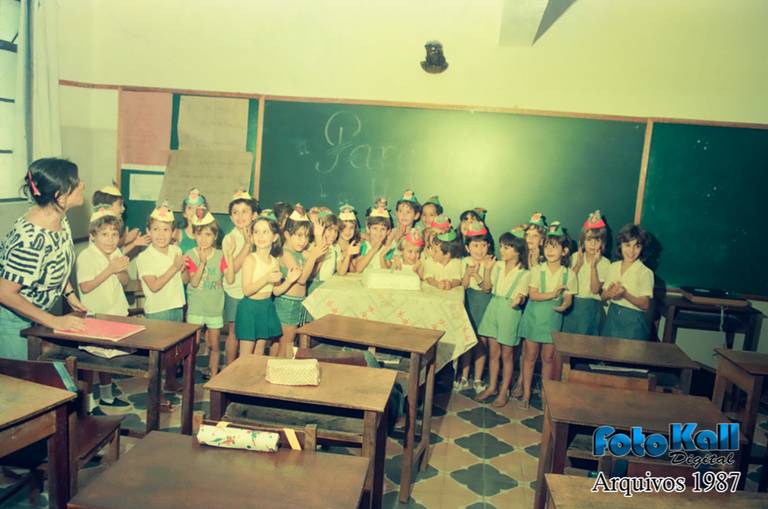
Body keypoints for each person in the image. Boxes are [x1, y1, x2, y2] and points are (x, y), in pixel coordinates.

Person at [0, 158, 87, 359]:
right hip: (12, 322)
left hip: (34, 316)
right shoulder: (31, 240)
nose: (83, 184)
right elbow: (4, 292)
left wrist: (70, 294)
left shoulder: (58, 217)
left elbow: (56, 262)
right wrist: (54, 321)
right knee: (24, 378)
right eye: (77, 182)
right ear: (60, 197)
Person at [76, 207, 132, 407]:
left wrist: (119, 271)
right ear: (93, 235)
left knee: (107, 357)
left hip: (115, 312)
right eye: (104, 234)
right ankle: (88, 404)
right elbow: (85, 286)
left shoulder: (116, 252)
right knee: (91, 359)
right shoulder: (86, 256)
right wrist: (110, 269)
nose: (110, 240)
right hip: (95, 315)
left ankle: (107, 396)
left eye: (114, 234)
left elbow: (125, 281)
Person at [517, 222, 576, 409]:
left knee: (548, 359)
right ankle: (526, 395)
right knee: (529, 357)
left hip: (552, 319)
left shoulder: (569, 274)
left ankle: (544, 395)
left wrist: (564, 305)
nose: (550, 251)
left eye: (555, 247)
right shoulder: (537, 270)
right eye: (548, 246)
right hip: (534, 317)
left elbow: (568, 298)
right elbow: (533, 294)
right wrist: (552, 294)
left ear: (564, 251)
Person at [136, 202, 188, 403]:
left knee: (174, 350)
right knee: (158, 356)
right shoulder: (145, 257)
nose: (161, 234)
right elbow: (155, 286)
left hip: (177, 305)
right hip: (158, 311)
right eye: (156, 229)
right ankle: (156, 394)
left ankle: (171, 381)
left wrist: (184, 269)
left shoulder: (176, 250)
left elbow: (183, 280)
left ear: (173, 232)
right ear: (148, 231)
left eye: (166, 229)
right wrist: (175, 268)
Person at [476, 228, 529, 407]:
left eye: (507, 247)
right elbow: (486, 288)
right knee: (493, 353)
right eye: (501, 246)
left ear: (518, 250)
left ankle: (503, 390)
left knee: (507, 355)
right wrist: (487, 270)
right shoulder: (497, 266)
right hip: (494, 306)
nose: (502, 250)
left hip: (509, 312)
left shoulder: (524, 273)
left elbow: (521, 296)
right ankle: (492, 386)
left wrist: (518, 299)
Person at [236, 213, 300, 356]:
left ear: (275, 237)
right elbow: (247, 290)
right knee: (246, 354)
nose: (260, 236)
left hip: (266, 307)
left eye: (265, 232)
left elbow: (276, 291)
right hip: (249, 308)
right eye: (256, 232)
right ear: (252, 237)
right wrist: (266, 278)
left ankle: (256, 371)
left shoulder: (274, 261)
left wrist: (289, 281)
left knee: (259, 351)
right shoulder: (250, 260)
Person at [185, 209, 233, 378]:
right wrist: (202, 263)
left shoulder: (220, 256)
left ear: (215, 236)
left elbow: (230, 279)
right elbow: (194, 282)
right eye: (199, 234)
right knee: (194, 344)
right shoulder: (190, 255)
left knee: (214, 345)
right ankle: (189, 375)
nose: (203, 239)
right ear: (194, 235)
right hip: (196, 308)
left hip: (214, 308)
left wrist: (229, 256)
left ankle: (213, 375)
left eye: (208, 234)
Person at [275, 206, 326, 357]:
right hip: (287, 303)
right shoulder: (286, 254)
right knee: (287, 343)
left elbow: (319, 257)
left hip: (296, 302)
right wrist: (313, 256)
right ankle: (280, 368)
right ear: (286, 234)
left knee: (286, 343)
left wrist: (318, 236)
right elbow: (302, 279)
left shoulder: (299, 252)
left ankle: (279, 367)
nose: (303, 241)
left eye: (306, 236)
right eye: (298, 235)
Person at [221, 189, 259, 365]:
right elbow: (234, 268)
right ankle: (230, 367)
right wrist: (247, 245)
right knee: (234, 332)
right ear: (230, 217)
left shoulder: (260, 234)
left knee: (253, 333)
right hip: (235, 291)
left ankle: (248, 367)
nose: (240, 216)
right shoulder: (230, 239)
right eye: (235, 212)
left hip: (255, 291)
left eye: (245, 211)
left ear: (254, 215)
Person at [601, 224, 654, 340]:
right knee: (608, 350)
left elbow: (645, 305)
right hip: (612, 318)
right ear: (620, 245)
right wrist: (610, 293)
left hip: (633, 323)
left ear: (642, 248)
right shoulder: (613, 267)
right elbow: (603, 296)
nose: (631, 251)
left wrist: (625, 294)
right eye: (627, 245)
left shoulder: (645, 272)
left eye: (637, 246)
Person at [459, 220, 495, 394]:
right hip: (469, 302)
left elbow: (487, 288)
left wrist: (481, 274)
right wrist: (468, 274)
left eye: (483, 245)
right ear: (468, 248)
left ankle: (478, 377)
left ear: (488, 246)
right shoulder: (464, 261)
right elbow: (464, 285)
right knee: (468, 339)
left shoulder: (492, 263)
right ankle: (464, 375)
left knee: (481, 342)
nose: (479, 250)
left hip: (485, 304)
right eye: (475, 245)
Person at [563, 210, 611, 335]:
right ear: (583, 241)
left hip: (590, 308)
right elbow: (567, 283)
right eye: (589, 240)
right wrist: (578, 264)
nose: (593, 244)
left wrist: (593, 266)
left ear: (602, 242)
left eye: (597, 240)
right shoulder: (575, 257)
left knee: (584, 342)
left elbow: (595, 290)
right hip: (572, 304)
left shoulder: (605, 263)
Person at [174, 188, 208, 254]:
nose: (194, 211)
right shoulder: (178, 233)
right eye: (190, 208)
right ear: (184, 213)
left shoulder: (209, 234)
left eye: (198, 208)